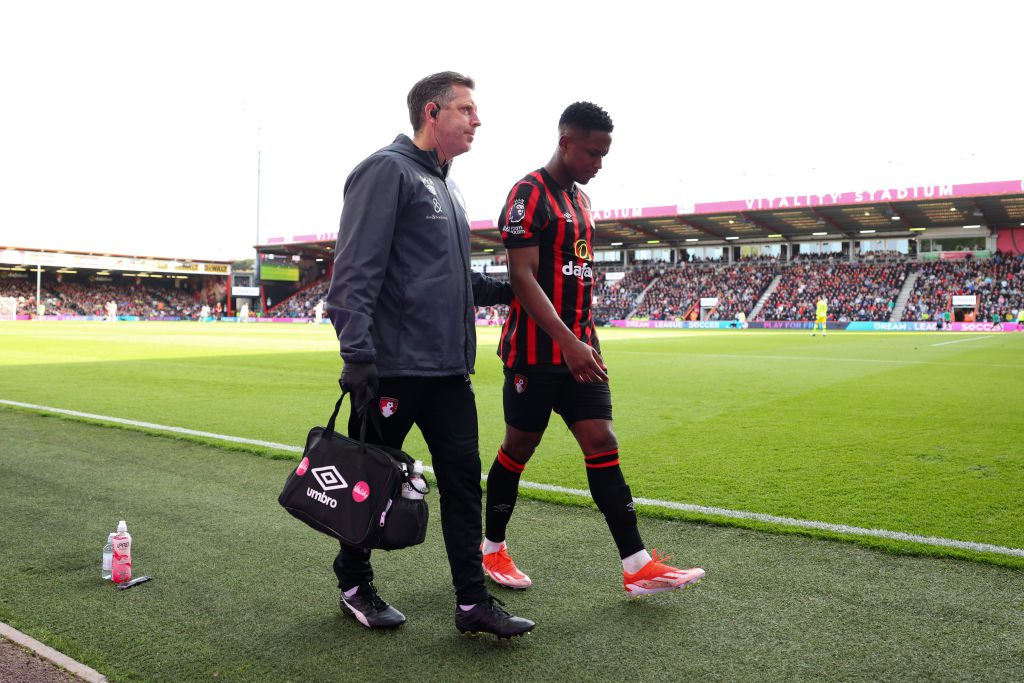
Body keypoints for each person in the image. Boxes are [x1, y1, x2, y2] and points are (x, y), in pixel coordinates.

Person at [325, 71, 533, 638]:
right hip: (392, 369)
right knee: (370, 484)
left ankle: (471, 602)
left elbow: (444, 275)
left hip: (447, 371)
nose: (477, 119)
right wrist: (357, 354)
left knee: (464, 482)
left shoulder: (447, 185)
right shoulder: (386, 171)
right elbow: (355, 270)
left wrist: (501, 288)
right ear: (432, 113)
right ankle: (353, 581)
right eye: (466, 108)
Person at [481, 102, 705, 597]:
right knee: (519, 448)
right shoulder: (527, 194)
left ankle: (637, 565)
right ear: (565, 142)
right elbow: (521, 277)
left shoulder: (582, 202)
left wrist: (582, 343)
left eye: (604, 154)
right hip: (537, 353)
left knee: (602, 442)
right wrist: (568, 342)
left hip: (582, 349)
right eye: (592, 152)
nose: (599, 163)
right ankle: (492, 549)